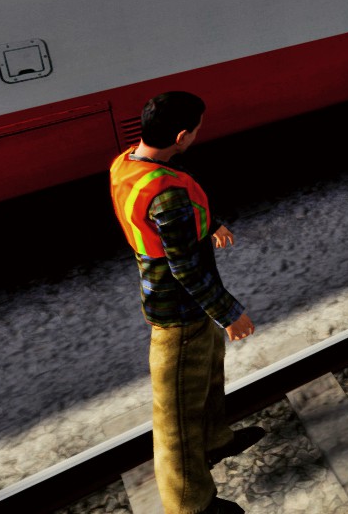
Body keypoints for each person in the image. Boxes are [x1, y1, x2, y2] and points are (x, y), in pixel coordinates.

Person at [108, 91, 260, 514]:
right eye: (196, 130)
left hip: (190, 306)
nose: (197, 135)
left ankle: (215, 440)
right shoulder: (166, 193)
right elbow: (185, 268)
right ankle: (191, 504)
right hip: (178, 312)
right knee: (175, 419)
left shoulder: (127, 164)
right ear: (181, 136)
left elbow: (168, 222)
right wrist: (229, 313)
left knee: (209, 374)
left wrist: (210, 225)